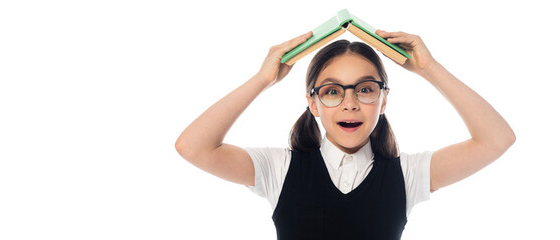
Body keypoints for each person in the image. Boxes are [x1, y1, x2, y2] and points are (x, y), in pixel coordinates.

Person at [174, 30, 515, 240]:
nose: (350, 104)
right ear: (313, 103)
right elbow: (193, 147)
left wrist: (429, 68)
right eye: (333, 91)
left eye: (365, 90)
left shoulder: (406, 175)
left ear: (383, 101)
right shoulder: (278, 168)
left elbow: (496, 139)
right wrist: (263, 79)